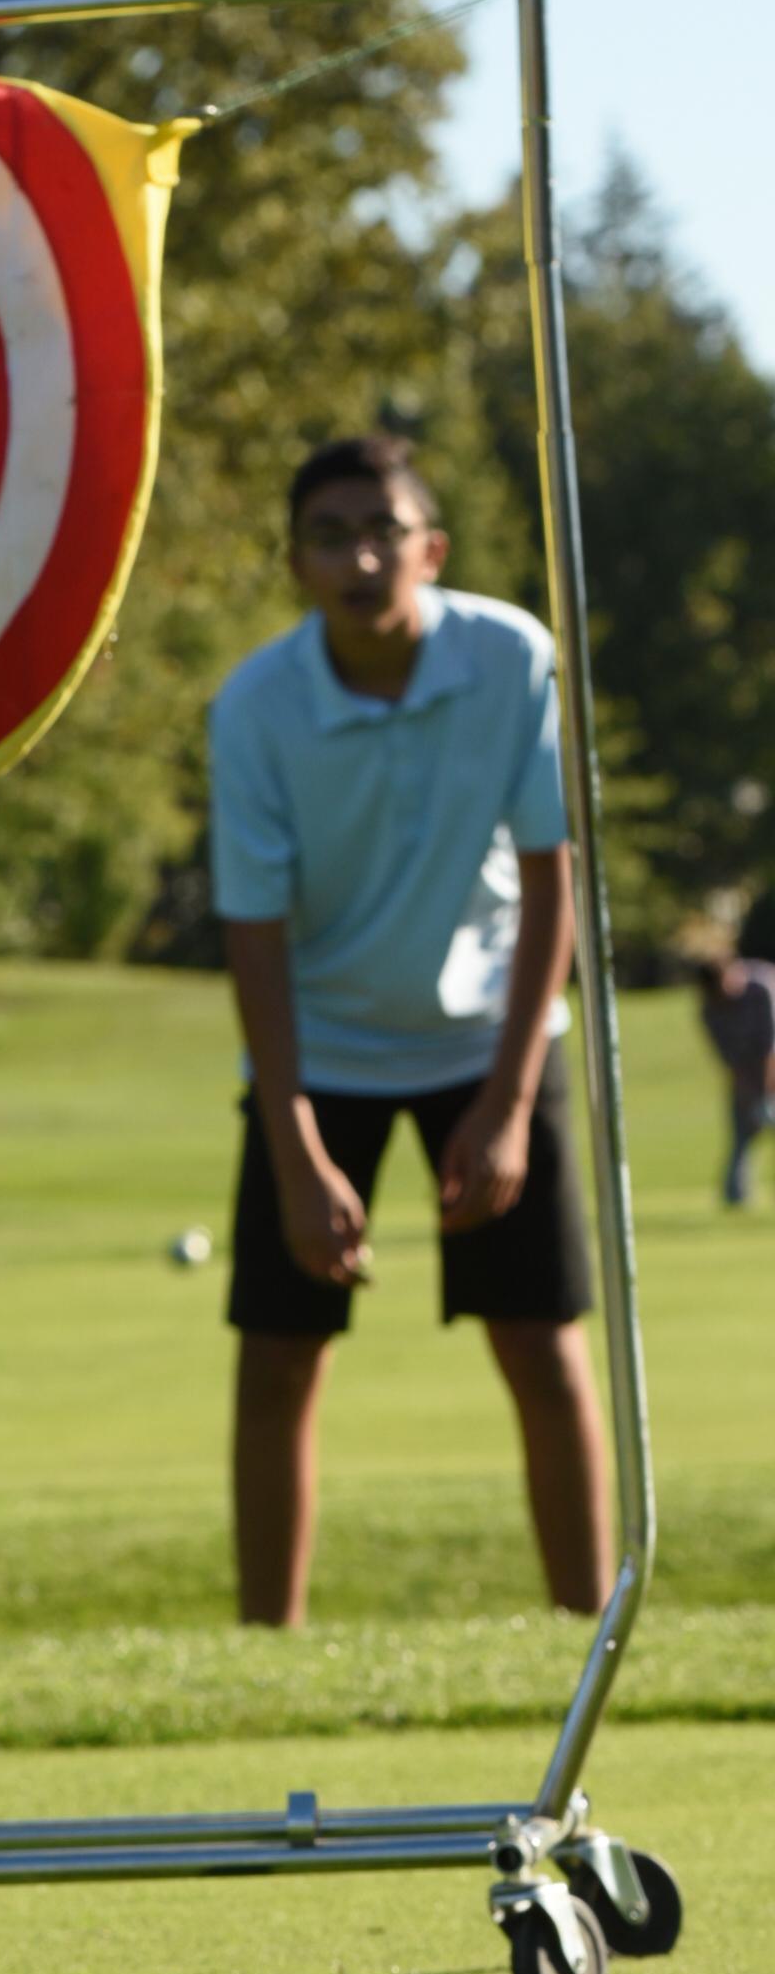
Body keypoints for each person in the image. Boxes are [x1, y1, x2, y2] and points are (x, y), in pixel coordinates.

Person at [206, 429, 612, 1631]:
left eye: (382, 531)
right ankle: (263, 1655)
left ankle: (583, 1641)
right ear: (294, 564)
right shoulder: (253, 706)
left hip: (486, 1038)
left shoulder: (509, 658)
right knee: (278, 1357)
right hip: (315, 1049)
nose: (358, 556)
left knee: (539, 1346)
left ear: (428, 548)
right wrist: (294, 1151)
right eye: (328, 536)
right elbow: (252, 940)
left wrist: (502, 1104)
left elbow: (552, 882)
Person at [694, 938, 775, 1205]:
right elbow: (730, 1059)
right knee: (741, 1131)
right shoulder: (709, 1008)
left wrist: (765, 1095)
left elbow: (768, 1048)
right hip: (747, 1072)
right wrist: (749, 1094)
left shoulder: (762, 988)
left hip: (770, 1062)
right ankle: (736, 1196)